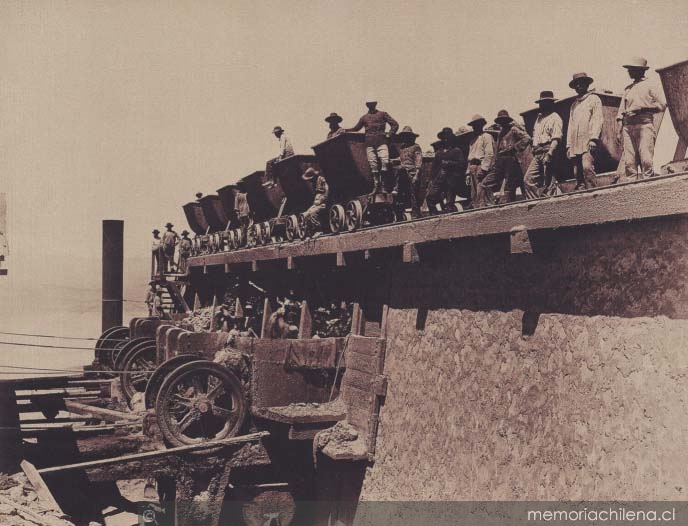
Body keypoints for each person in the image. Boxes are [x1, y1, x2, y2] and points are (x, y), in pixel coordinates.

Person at [616, 57, 667, 180]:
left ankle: (648, 187)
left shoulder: (650, 85)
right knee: (629, 163)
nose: (629, 72)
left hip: (644, 126)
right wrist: (619, 130)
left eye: (631, 69)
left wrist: (642, 109)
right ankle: (632, 190)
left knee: (646, 160)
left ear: (640, 70)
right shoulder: (628, 89)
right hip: (628, 128)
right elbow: (620, 113)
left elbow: (662, 105)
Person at [347, 97, 399, 193]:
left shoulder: (383, 114)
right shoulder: (364, 118)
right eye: (369, 104)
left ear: (376, 104)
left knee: (385, 162)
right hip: (369, 144)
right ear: (367, 105)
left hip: (382, 142)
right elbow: (356, 128)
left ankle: (383, 185)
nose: (371, 105)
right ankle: (376, 186)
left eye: (373, 104)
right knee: (373, 165)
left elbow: (395, 124)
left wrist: (389, 134)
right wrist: (345, 130)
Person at [479, 110, 531, 205]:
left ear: (507, 120)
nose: (502, 122)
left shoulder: (513, 129)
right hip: (500, 161)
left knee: (509, 187)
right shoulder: (501, 132)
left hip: (511, 160)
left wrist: (514, 147)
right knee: (486, 183)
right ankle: (490, 206)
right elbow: (497, 150)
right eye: (500, 120)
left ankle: (509, 209)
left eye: (504, 120)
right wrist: (494, 162)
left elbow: (527, 138)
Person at [523, 91, 564, 199]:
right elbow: (534, 135)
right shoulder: (539, 118)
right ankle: (534, 203)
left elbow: (556, 138)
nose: (542, 105)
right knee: (528, 180)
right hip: (537, 153)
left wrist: (550, 153)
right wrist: (533, 148)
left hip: (548, 150)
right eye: (541, 103)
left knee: (549, 182)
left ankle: (550, 207)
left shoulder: (555, 117)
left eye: (546, 103)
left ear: (551, 103)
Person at [567, 72, 604, 190]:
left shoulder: (594, 99)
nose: (578, 86)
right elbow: (570, 125)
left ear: (587, 84)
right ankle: (582, 196)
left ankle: (593, 192)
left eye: (581, 83)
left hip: (587, 141)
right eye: (576, 84)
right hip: (575, 143)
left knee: (587, 167)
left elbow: (597, 119)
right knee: (577, 172)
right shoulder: (574, 105)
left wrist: (594, 138)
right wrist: (568, 145)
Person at [427, 127, 467, 214]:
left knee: (449, 204)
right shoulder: (439, 153)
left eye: (447, 137)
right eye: (444, 138)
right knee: (430, 198)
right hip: (440, 179)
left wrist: (450, 163)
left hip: (452, 179)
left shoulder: (457, 151)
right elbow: (434, 168)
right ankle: (435, 216)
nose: (445, 140)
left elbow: (462, 164)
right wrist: (431, 180)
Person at [392, 126, 423, 217]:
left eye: (407, 136)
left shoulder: (416, 147)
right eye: (404, 136)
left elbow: (419, 160)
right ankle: (399, 215)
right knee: (401, 195)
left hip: (412, 173)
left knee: (414, 194)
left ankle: (416, 214)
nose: (405, 138)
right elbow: (402, 160)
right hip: (403, 174)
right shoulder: (402, 148)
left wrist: (416, 175)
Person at [465, 114, 496, 208]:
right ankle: (477, 209)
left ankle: (486, 209)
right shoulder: (472, 140)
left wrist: (484, 169)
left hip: (480, 166)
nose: (475, 127)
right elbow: (469, 157)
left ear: (482, 125)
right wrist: (467, 173)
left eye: (477, 124)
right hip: (472, 167)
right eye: (474, 125)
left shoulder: (486, 136)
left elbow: (489, 154)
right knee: (474, 194)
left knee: (482, 190)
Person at [301, 167, 329, 237]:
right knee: (305, 214)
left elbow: (327, 190)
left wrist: (322, 199)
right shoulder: (313, 183)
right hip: (316, 203)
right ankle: (309, 232)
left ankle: (319, 230)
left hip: (323, 203)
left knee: (313, 213)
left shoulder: (321, 179)